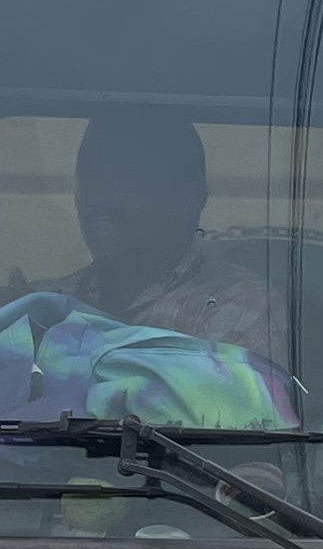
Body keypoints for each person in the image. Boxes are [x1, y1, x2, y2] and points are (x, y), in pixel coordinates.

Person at [62, 109, 286, 367]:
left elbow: (212, 394)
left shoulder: (239, 304)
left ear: (190, 197)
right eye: (90, 178)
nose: (99, 199)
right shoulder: (45, 302)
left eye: (127, 179)